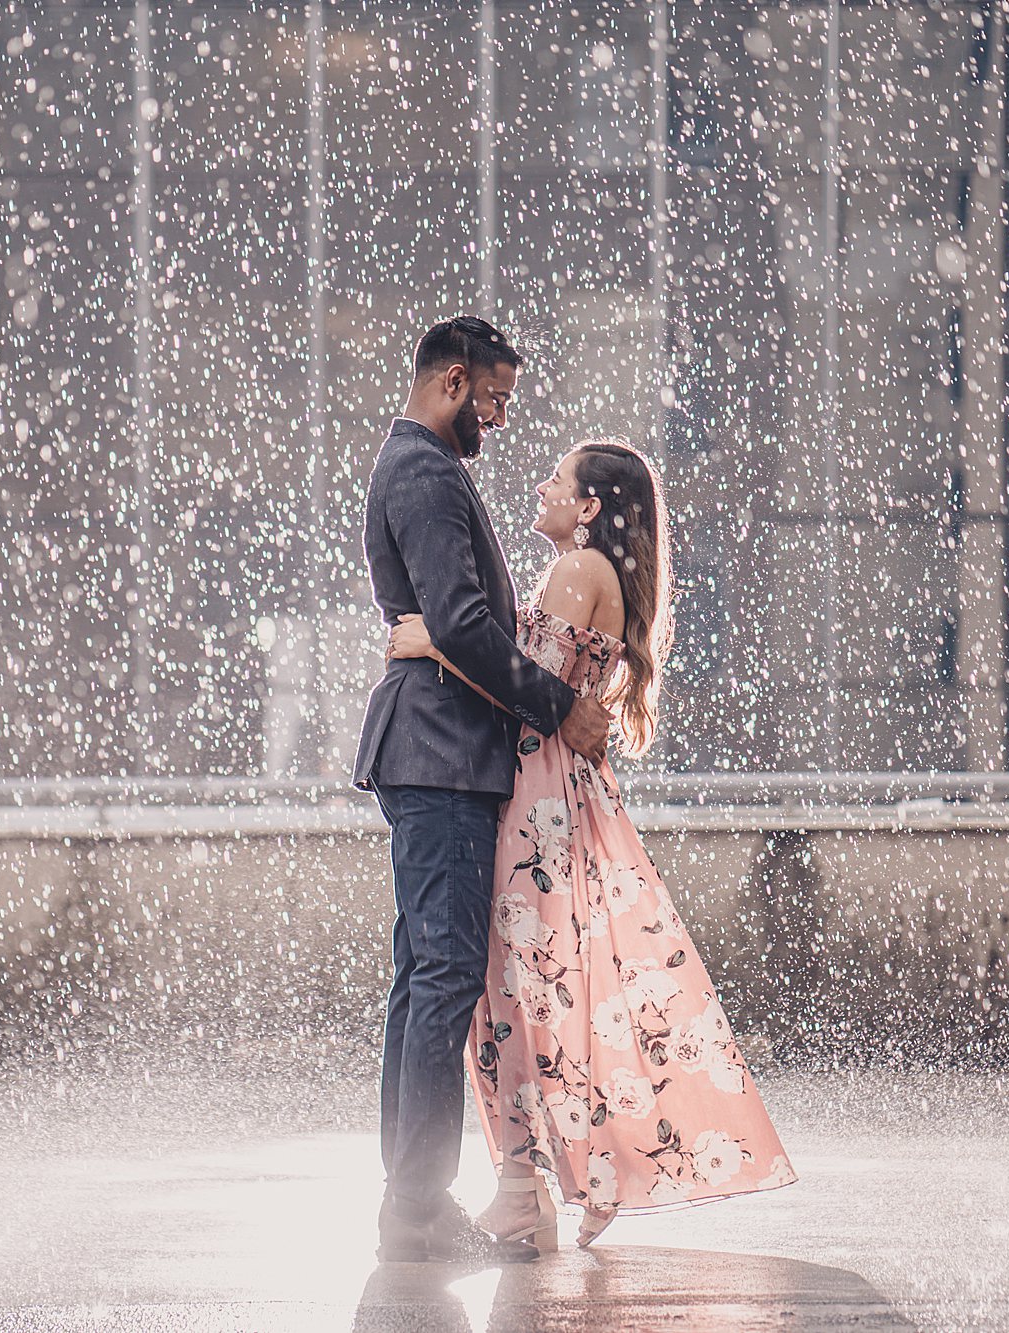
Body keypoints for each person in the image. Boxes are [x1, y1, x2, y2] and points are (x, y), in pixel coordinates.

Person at [388, 440, 798, 1256]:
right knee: (535, 990)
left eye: (558, 479)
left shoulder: (578, 571)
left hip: (531, 797)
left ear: (587, 509)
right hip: (550, 793)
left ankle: (526, 1182)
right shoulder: (593, 574)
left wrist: (429, 640)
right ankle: (539, 1178)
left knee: (511, 992)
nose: (541, 486)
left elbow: (511, 675)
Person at [353, 317, 614, 1265]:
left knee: (424, 977)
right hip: (438, 755)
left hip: (435, 751)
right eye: (495, 399)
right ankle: (418, 1210)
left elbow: (452, 624)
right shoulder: (425, 471)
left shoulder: (424, 465)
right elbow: (463, 624)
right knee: (447, 977)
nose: (500, 420)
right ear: (453, 380)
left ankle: (409, 1204)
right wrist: (562, 706)